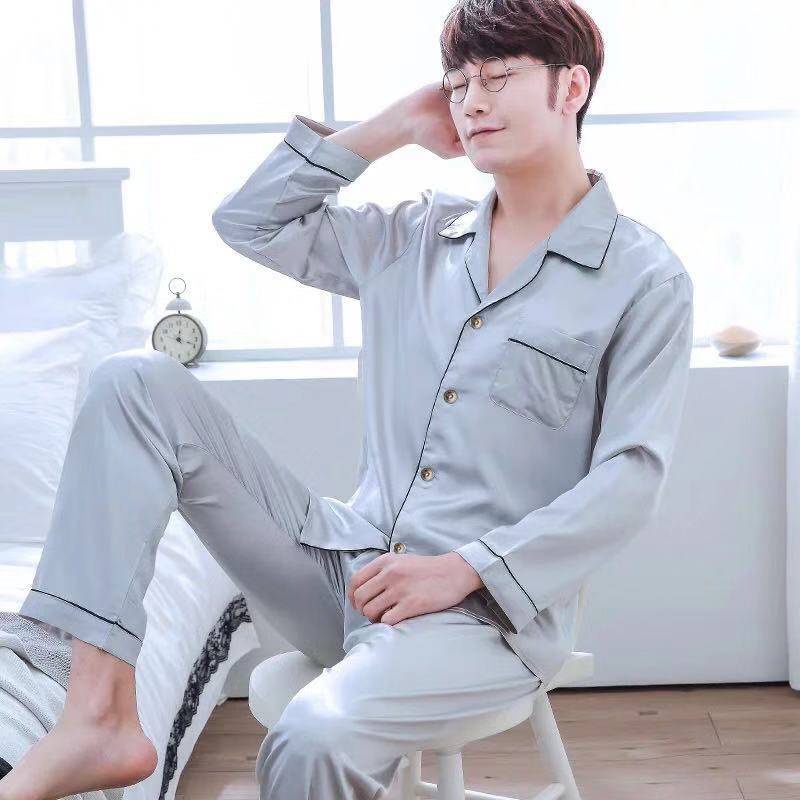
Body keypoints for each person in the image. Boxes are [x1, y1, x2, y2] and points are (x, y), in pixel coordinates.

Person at [0, 1, 694, 798]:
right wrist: (393, 126)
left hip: (483, 619)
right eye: (457, 83)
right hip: (346, 571)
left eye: (499, 77)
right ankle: (95, 715)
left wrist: (462, 570)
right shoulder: (414, 238)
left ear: (572, 88)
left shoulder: (643, 279)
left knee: (313, 736)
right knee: (132, 383)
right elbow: (249, 223)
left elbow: (630, 480)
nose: (471, 101)